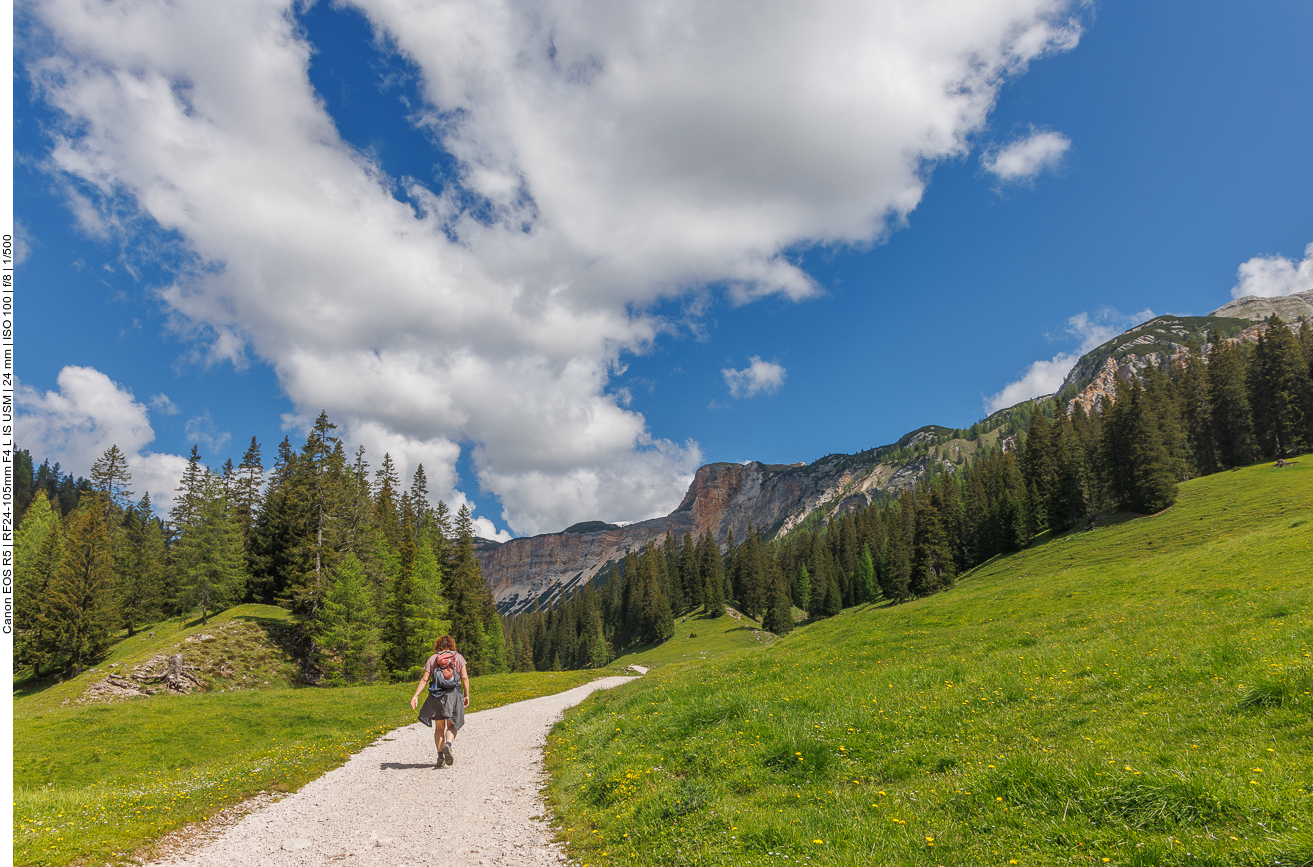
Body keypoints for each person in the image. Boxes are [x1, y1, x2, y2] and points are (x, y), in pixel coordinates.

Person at [410, 635, 471, 768]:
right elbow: (464, 678)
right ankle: (448, 745)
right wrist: (466, 695)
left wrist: (416, 695)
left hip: (436, 695)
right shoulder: (458, 658)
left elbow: (425, 679)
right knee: (452, 725)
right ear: (451, 645)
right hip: (453, 695)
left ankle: (439, 758)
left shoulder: (433, 659)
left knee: (439, 727)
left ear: (438, 646)